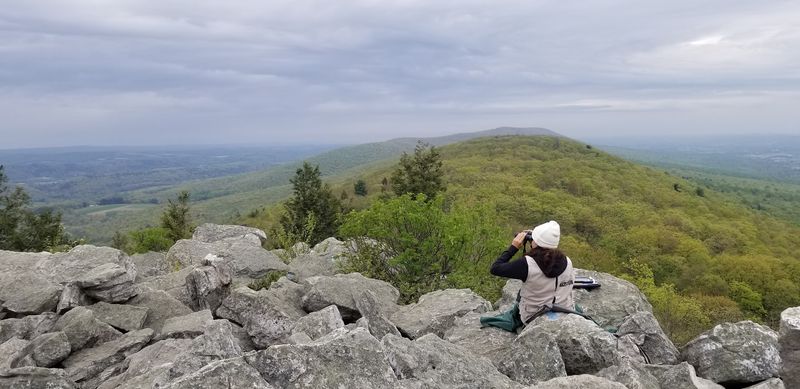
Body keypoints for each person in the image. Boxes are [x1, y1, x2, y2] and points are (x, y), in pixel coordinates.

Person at [490, 220, 575, 324]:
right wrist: (537, 239)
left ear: (536, 242)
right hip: (565, 311)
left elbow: (495, 268)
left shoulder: (527, 264)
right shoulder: (567, 261)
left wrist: (513, 247)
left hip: (533, 317)